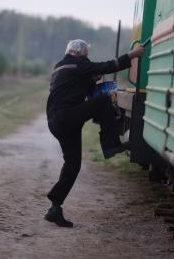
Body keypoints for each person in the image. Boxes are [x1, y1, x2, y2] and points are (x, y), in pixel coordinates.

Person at [44, 39, 145, 227]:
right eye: (86, 55)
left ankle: (54, 208)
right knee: (104, 102)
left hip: (57, 121)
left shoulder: (60, 66)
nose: (87, 58)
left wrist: (91, 79)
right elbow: (107, 66)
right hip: (66, 117)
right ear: (81, 53)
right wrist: (132, 55)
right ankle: (111, 145)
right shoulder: (80, 63)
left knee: (73, 164)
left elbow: (77, 86)